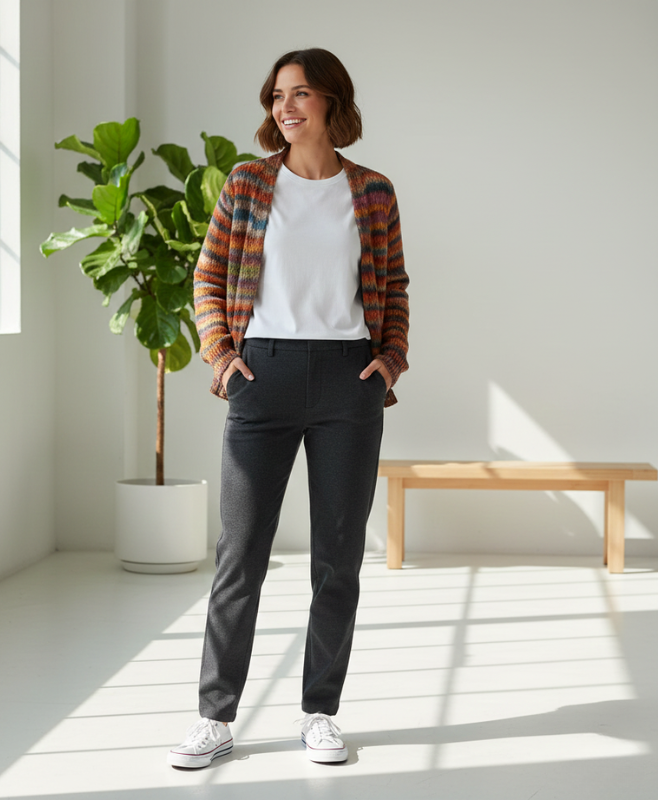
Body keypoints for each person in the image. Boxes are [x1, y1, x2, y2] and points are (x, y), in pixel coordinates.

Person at [167, 48, 409, 768]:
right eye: (277, 95)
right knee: (240, 554)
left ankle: (320, 711)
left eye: (301, 93)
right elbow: (209, 277)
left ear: (333, 100)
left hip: (347, 379)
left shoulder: (372, 191)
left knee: (337, 560)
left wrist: (387, 361)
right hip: (261, 375)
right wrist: (221, 357)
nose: (285, 107)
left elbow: (393, 285)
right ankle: (215, 716)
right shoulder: (248, 182)